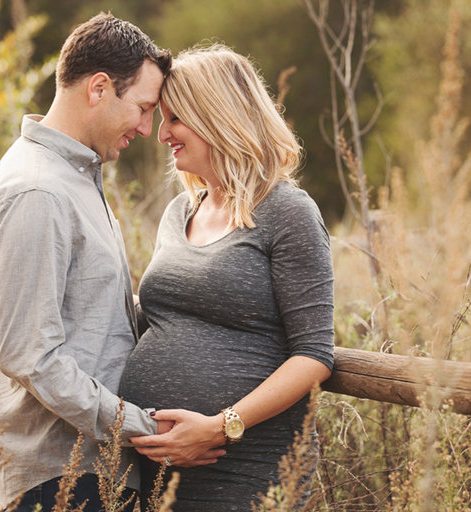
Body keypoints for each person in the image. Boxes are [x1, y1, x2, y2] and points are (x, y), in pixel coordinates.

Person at [0, 14, 221, 512]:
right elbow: (29, 356)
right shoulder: (38, 190)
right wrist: (144, 428)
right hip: (64, 480)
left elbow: (86, 315)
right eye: (144, 108)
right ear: (100, 88)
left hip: (95, 472)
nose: (148, 128)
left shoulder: (73, 177)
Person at [118, 44, 335, 511]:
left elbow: (314, 355)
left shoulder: (288, 212)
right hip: (157, 468)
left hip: (242, 465)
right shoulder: (180, 212)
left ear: (216, 115)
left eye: (175, 119)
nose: (162, 134)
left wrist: (220, 425)